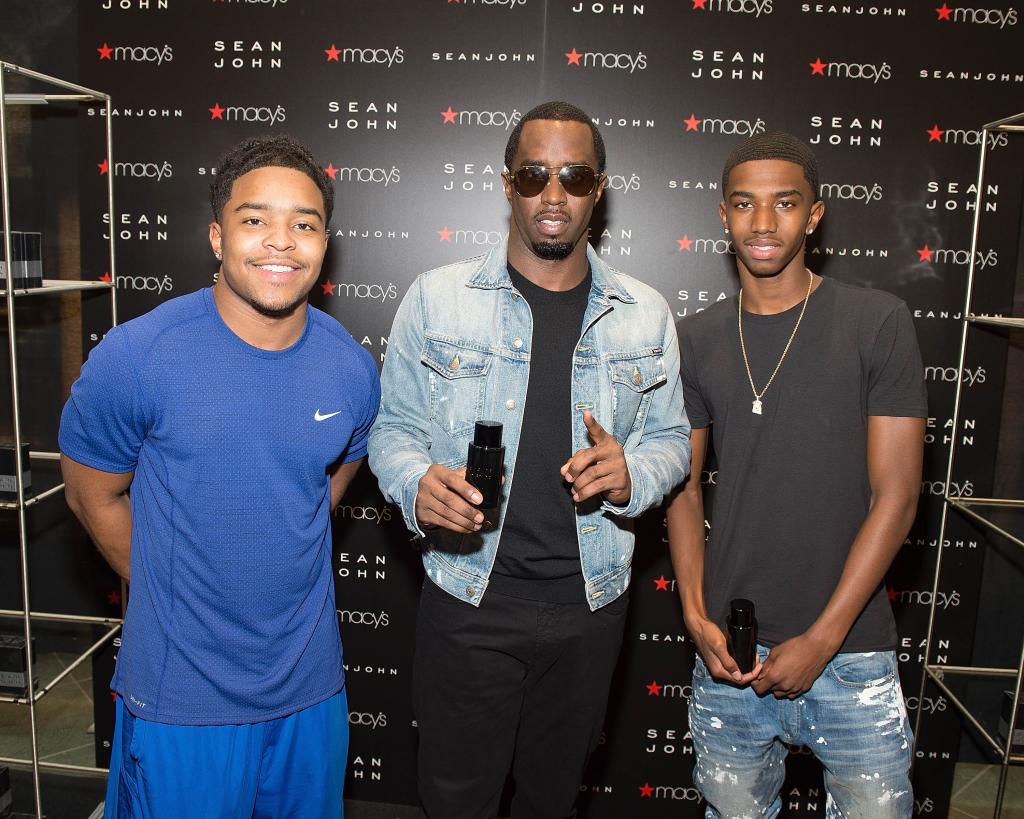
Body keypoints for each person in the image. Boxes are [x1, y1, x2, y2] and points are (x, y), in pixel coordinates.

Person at [368, 100, 690, 818]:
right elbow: (391, 431)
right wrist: (415, 482)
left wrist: (633, 474)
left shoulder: (645, 313)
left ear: (599, 189)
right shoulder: (437, 298)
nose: (554, 195)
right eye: (534, 174)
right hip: (468, 599)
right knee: (455, 801)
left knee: (552, 801)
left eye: (574, 177)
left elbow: (673, 442)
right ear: (506, 183)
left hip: (590, 607)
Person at [59, 134, 380, 819]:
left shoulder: (350, 368)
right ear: (216, 236)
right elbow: (93, 496)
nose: (280, 242)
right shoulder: (138, 356)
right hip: (182, 697)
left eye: (304, 224)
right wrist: (171, 592)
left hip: (310, 693)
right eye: (255, 219)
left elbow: (336, 473)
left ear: (325, 243)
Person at [666, 131, 926, 818]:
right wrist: (695, 614)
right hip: (730, 659)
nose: (762, 222)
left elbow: (896, 498)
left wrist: (824, 635)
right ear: (723, 216)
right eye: (745, 204)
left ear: (815, 214)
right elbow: (683, 488)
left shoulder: (877, 322)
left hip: (852, 654)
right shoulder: (695, 338)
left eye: (784, 203)